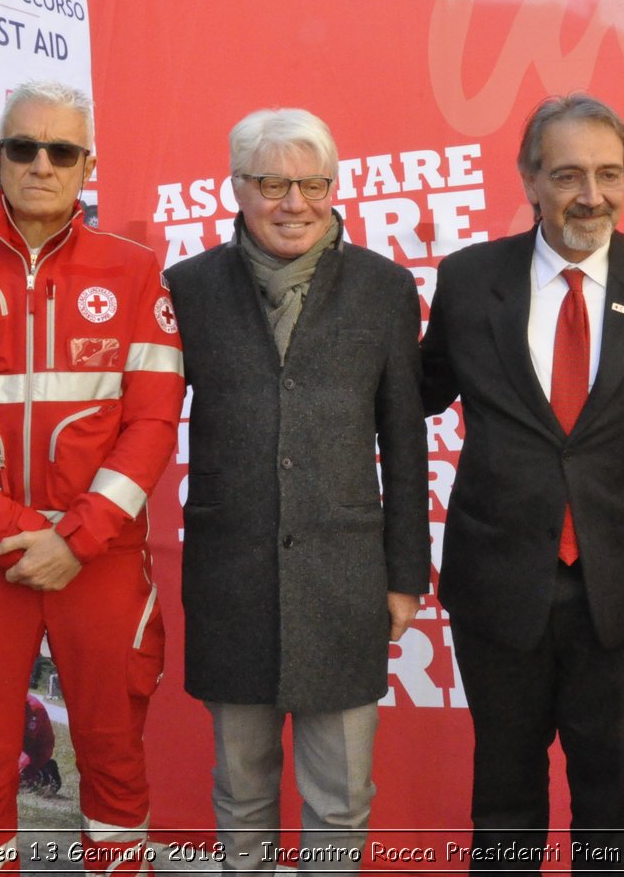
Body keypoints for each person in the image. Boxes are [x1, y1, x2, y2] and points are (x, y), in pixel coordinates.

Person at [0, 79, 184, 875]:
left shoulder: (135, 272)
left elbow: (153, 420)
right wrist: (11, 530)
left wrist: (77, 536)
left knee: (115, 763)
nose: (42, 164)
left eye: (62, 150)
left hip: (102, 558)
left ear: (87, 164)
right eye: (24, 147)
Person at [420, 93, 624, 872]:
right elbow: (412, 395)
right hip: (499, 588)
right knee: (505, 808)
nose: (591, 195)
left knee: (612, 813)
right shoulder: (467, 278)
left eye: (608, 173)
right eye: (567, 175)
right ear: (528, 179)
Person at [164, 108, 429, 875]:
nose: (295, 202)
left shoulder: (384, 288)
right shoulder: (187, 289)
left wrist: (406, 575)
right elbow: (143, 419)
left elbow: (404, 439)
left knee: (341, 793)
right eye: (273, 183)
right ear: (237, 189)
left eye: (313, 183)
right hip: (231, 573)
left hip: (346, 582)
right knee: (241, 784)